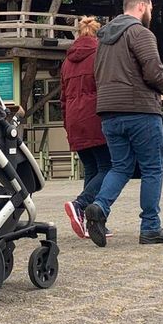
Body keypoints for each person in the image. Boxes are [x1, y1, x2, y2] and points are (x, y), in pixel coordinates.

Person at [81, 0, 163, 247]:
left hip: (109, 113)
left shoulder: (104, 40)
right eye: (151, 9)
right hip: (140, 111)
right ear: (142, 7)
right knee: (152, 168)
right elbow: (153, 72)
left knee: (120, 167)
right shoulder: (140, 33)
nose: (151, 14)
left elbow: (97, 74)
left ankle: (100, 206)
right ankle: (150, 227)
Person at [60, 16, 112, 240]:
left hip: (74, 119)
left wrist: (67, 124)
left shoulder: (67, 61)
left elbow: (63, 98)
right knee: (110, 167)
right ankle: (80, 205)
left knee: (91, 169)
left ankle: (91, 223)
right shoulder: (100, 55)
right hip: (95, 118)